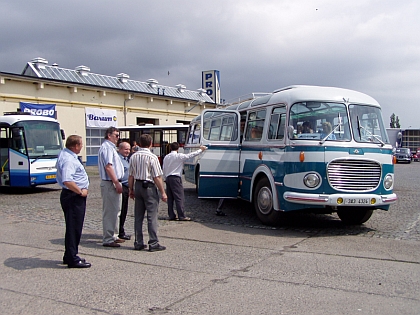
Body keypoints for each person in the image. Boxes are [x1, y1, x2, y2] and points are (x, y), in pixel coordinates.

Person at [128, 134, 168, 252]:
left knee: (138, 216)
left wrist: (131, 189)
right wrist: (162, 191)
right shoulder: (152, 157)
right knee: (151, 215)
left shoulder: (134, 156)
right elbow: (157, 176)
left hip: (138, 185)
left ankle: (138, 242)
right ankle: (153, 242)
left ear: (139, 143)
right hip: (149, 186)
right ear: (150, 143)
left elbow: (130, 175)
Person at [56, 135, 91, 268]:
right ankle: (72, 258)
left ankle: (69, 254)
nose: (82, 147)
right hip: (73, 197)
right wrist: (80, 191)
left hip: (72, 195)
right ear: (75, 146)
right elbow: (67, 180)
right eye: (81, 144)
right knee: (74, 228)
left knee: (73, 226)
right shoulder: (69, 159)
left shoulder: (66, 155)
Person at [162, 142, 207, 221]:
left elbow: (164, 168)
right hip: (176, 178)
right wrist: (200, 150)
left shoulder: (166, 157)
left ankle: (171, 215)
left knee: (170, 198)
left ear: (170, 148)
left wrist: (165, 178)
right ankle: (181, 215)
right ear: (178, 148)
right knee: (179, 197)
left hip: (168, 178)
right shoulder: (179, 156)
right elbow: (190, 155)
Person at [98, 127, 125, 248]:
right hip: (110, 182)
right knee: (110, 211)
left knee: (116, 210)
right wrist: (116, 182)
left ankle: (114, 234)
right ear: (109, 135)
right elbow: (108, 166)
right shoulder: (107, 147)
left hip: (114, 181)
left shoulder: (111, 148)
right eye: (116, 135)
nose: (117, 138)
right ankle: (108, 238)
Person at [117, 141, 131, 240]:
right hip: (121, 186)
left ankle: (121, 230)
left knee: (124, 210)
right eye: (125, 149)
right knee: (120, 210)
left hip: (127, 187)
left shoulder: (126, 159)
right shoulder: (118, 160)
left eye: (129, 149)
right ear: (120, 149)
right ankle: (119, 232)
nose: (128, 151)